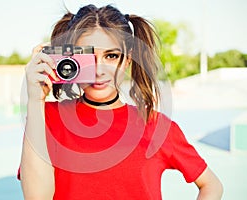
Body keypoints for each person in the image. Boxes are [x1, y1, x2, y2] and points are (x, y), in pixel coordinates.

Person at [18, 4, 223, 200]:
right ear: (70, 59)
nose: (99, 71)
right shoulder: (46, 117)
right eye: (88, 57)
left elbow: (212, 185)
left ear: (126, 60)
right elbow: (37, 197)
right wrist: (35, 99)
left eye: (111, 56)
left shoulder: (156, 125)